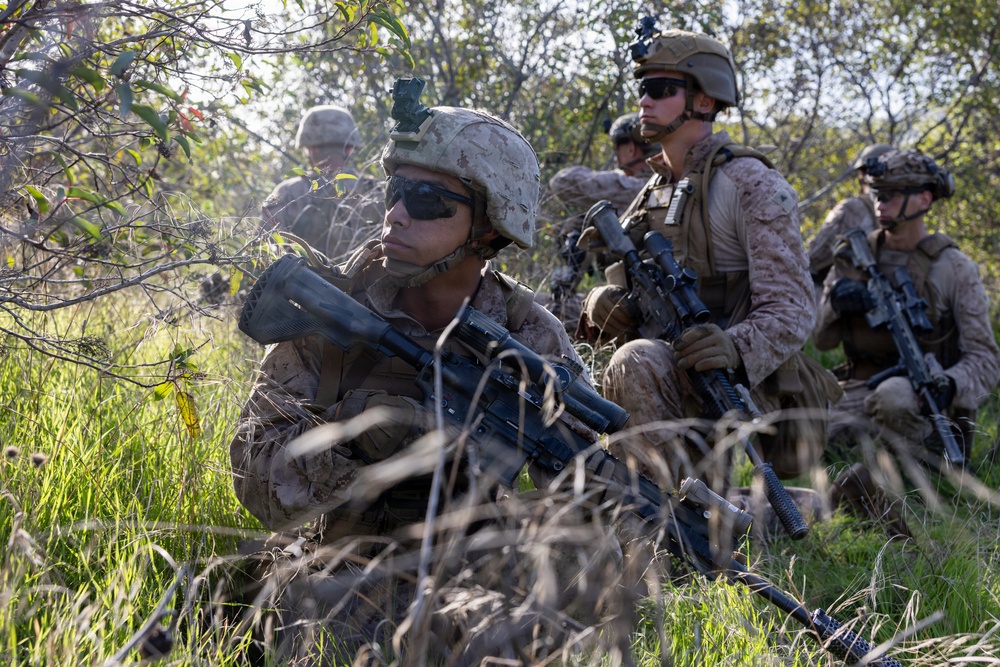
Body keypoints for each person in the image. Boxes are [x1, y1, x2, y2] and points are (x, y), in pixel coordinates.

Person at [228, 82, 615, 663]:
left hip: (474, 571)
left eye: (429, 202)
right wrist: (357, 439)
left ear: (490, 227)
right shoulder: (332, 313)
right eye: (395, 192)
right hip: (341, 562)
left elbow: (583, 506)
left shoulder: (530, 336)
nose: (397, 214)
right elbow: (256, 480)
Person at [577, 21, 841, 506]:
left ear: (703, 100)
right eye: (642, 88)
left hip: (736, 380)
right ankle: (675, 509)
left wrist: (732, 346)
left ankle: (666, 522)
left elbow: (793, 309)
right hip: (668, 368)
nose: (644, 100)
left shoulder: (748, 182)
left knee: (634, 361)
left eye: (660, 89)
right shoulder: (654, 189)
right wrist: (604, 303)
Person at [814, 148, 1000, 467]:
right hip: (859, 386)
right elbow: (821, 340)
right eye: (877, 194)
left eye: (892, 194)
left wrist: (951, 383)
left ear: (925, 200)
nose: (880, 203)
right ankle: (868, 470)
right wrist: (836, 303)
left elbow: (986, 358)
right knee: (803, 426)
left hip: (924, 397)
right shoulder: (853, 257)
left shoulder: (953, 267)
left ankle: (927, 472)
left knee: (893, 400)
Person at [542, 112, 658, 328]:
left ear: (631, 149)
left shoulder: (627, 186)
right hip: (648, 298)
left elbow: (561, 181)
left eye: (617, 149)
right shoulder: (666, 185)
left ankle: (562, 302)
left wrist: (616, 175)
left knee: (534, 308)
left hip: (629, 306)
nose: (616, 156)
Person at [260, 104, 382, 262]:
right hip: (364, 286)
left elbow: (263, 255)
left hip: (298, 286)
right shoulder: (374, 191)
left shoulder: (287, 193)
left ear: (311, 149)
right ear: (350, 149)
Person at [806, 143, 894, 297]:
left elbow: (814, 254)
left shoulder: (850, 207)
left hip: (836, 291)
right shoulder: (903, 208)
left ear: (863, 174)